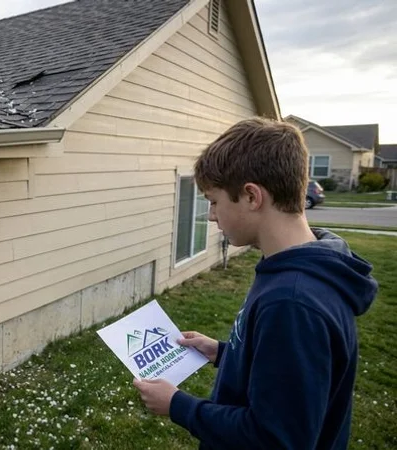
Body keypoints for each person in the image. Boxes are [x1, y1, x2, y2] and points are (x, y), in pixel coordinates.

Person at [132, 118, 378, 449]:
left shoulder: (292, 302)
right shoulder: (299, 267)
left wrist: (179, 405)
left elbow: (276, 438)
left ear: (251, 196)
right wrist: (224, 352)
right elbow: (285, 371)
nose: (212, 215)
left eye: (214, 200)